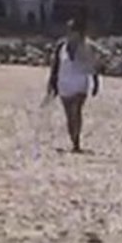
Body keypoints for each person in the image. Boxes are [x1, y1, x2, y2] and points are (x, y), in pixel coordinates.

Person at [46, 19, 100, 153]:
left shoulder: (86, 47)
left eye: (74, 31)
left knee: (76, 112)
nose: (71, 34)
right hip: (64, 85)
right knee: (69, 116)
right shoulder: (61, 47)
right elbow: (55, 66)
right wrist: (51, 83)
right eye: (69, 31)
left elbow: (93, 66)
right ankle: (73, 139)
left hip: (80, 85)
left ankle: (77, 143)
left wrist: (96, 83)